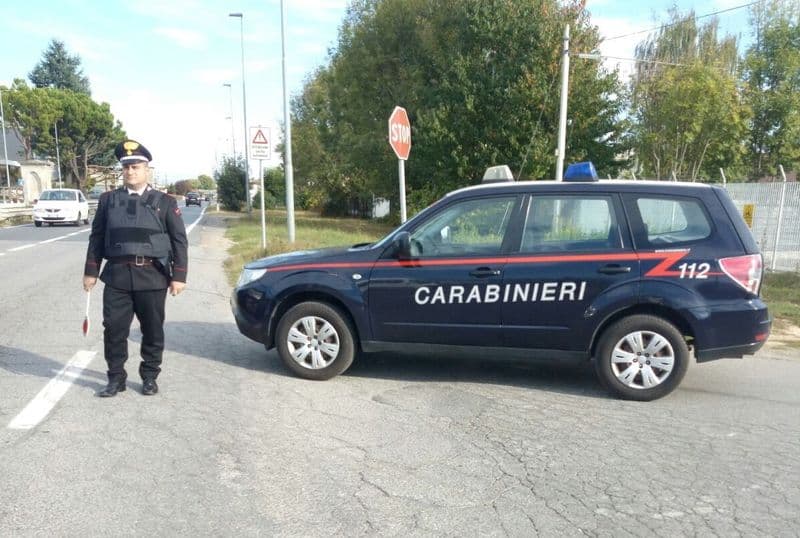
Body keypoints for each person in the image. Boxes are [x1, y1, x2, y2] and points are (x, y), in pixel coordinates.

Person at [83, 139, 188, 397]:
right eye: (126, 167)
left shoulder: (164, 201)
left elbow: (178, 240)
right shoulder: (108, 200)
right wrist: (91, 272)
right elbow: (96, 237)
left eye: (136, 166)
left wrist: (179, 276)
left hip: (152, 277)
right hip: (117, 276)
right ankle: (115, 377)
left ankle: (150, 376)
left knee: (152, 329)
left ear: (147, 169)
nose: (131, 171)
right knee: (113, 329)